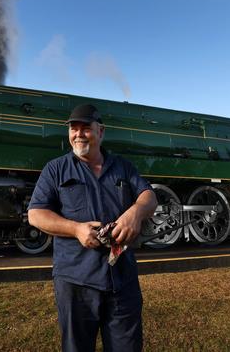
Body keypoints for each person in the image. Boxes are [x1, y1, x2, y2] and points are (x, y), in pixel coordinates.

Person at [28, 103, 158, 352]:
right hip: (76, 283)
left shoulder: (124, 167)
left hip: (122, 282)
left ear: (101, 132)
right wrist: (76, 229)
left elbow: (148, 197)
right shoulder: (55, 169)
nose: (78, 134)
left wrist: (135, 213)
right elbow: (36, 214)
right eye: (73, 129)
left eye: (85, 128)